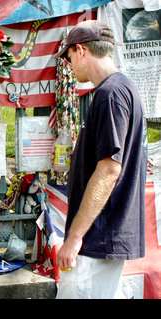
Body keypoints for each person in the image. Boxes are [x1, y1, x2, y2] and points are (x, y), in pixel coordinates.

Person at [53, 20, 147, 298]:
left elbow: (108, 170)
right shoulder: (122, 89)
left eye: (69, 58)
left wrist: (74, 238)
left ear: (81, 50)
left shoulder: (110, 94)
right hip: (104, 236)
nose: (70, 66)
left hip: (96, 239)